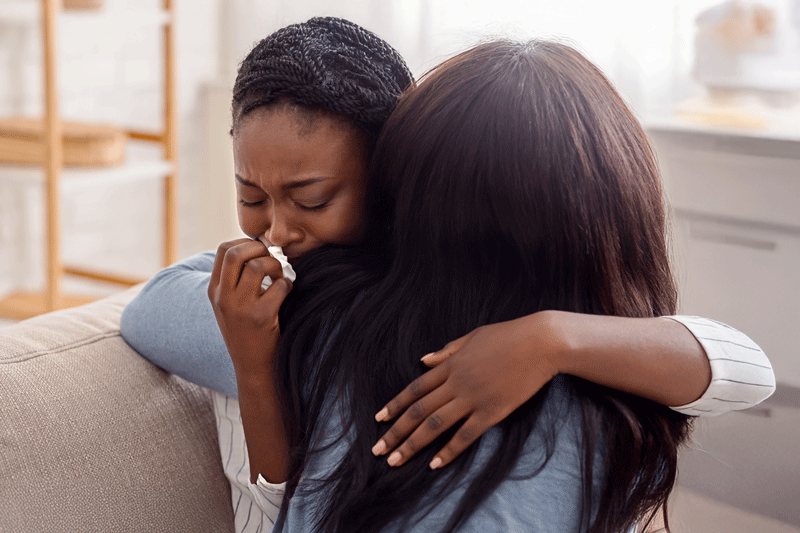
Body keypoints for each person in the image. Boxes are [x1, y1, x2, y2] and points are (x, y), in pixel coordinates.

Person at [120, 18, 775, 533]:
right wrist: (555, 339)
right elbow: (742, 369)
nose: (277, 233)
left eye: (313, 198)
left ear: (396, 190)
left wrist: (547, 339)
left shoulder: (339, 323)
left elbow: (149, 307)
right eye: (251, 194)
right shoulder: (621, 397)